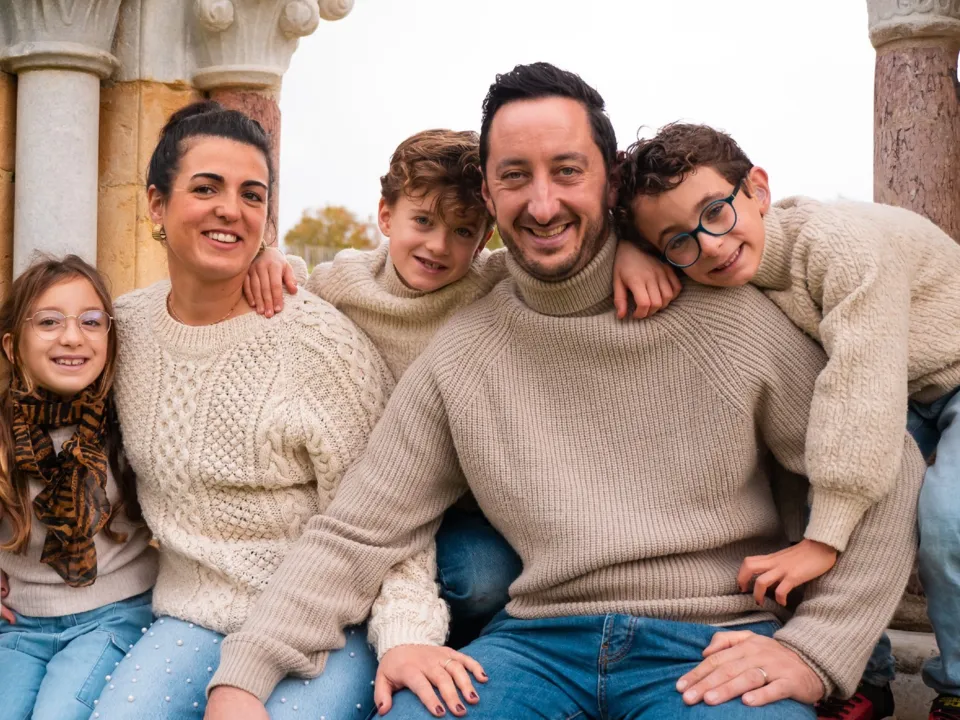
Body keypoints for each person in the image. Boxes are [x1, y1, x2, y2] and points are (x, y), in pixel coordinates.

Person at [205, 63, 922, 720]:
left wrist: (816, 651)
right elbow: (359, 530)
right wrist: (243, 677)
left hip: (714, 642)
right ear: (489, 195)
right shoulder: (464, 351)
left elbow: (890, 464)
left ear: (610, 183)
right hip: (535, 646)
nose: (543, 204)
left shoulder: (726, 317)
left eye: (567, 171)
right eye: (515, 177)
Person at [244, 129, 678, 660]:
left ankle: (480, 649)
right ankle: (367, 621)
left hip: (465, 501)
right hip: (371, 492)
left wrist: (630, 248)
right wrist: (266, 257)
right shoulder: (345, 284)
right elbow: (292, 287)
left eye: (463, 231)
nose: (438, 245)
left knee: (478, 581)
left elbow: (574, 255)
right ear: (386, 216)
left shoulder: (492, 282)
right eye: (423, 222)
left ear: (485, 239)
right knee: (352, 559)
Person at [615, 122, 960, 720]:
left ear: (758, 189)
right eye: (678, 242)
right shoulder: (720, 267)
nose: (710, 246)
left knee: (947, 519)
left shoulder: (839, 246)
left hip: (944, 368)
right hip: (897, 385)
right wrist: (626, 248)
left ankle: (956, 684)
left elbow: (861, 385)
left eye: (716, 212)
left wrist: (823, 541)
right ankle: (862, 674)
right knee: (803, 491)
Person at [89, 101, 394, 719]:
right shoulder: (124, 329)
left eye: (252, 195)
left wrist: (405, 636)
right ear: (156, 204)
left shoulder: (320, 346)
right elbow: (40, 431)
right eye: (206, 188)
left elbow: (389, 519)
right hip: (191, 617)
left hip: (325, 625)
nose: (231, 209)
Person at [0, 256, 157, 720]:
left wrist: (265, 261)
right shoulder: (4, 430)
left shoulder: (129, 416)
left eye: (90, 321)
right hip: (20, 625)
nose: (72, 337)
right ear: (12, 346)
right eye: (49, 322)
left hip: (115, 614)